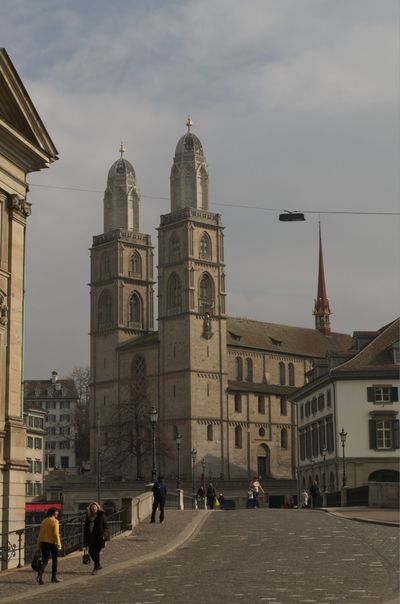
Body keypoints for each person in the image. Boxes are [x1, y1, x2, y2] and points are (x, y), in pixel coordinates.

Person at [36, 507, 62, 585]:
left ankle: (40, 575)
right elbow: (55, 534)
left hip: (43, 542)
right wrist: (59, 544)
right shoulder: (55, 521)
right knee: (54, 560)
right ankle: (53, 578)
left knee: (45, 561)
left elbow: (40, 534)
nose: (57, 513)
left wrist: (38, 544)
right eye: (56, 512)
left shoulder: (44, 521)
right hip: (52, 543)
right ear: (53, 513)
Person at [83, 501, 109, 575]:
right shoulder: (88, 517)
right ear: (90, 509)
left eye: (95, 507)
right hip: (91, 538)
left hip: (99, 537)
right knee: (91, 552)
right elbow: (86, 530)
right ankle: (98, 565)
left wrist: (104, 535)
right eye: (92, 507)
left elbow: (106, 526)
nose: (93, 508)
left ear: (97, 508)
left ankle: (95, 568)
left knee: (96, 552)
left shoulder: (101, 515)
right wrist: (85, 542)